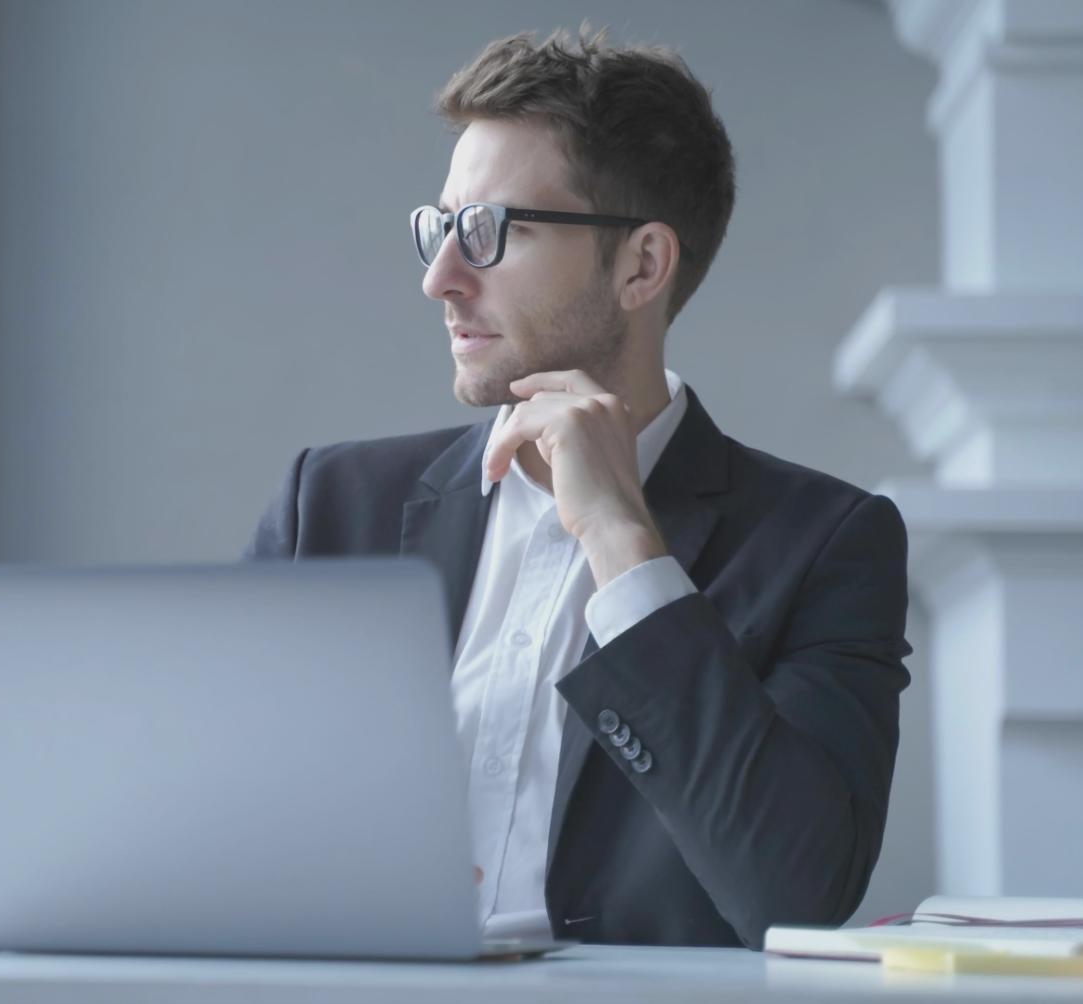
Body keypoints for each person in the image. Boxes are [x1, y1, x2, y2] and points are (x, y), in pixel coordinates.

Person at [244, 25, 911, 950]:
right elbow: (207, 817)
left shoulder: (825, 541)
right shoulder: (330, 505)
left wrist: (622, 544)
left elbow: (789, 890)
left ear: (641, 264)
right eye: (438, 228)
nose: (440, 278)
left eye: (488, 233)